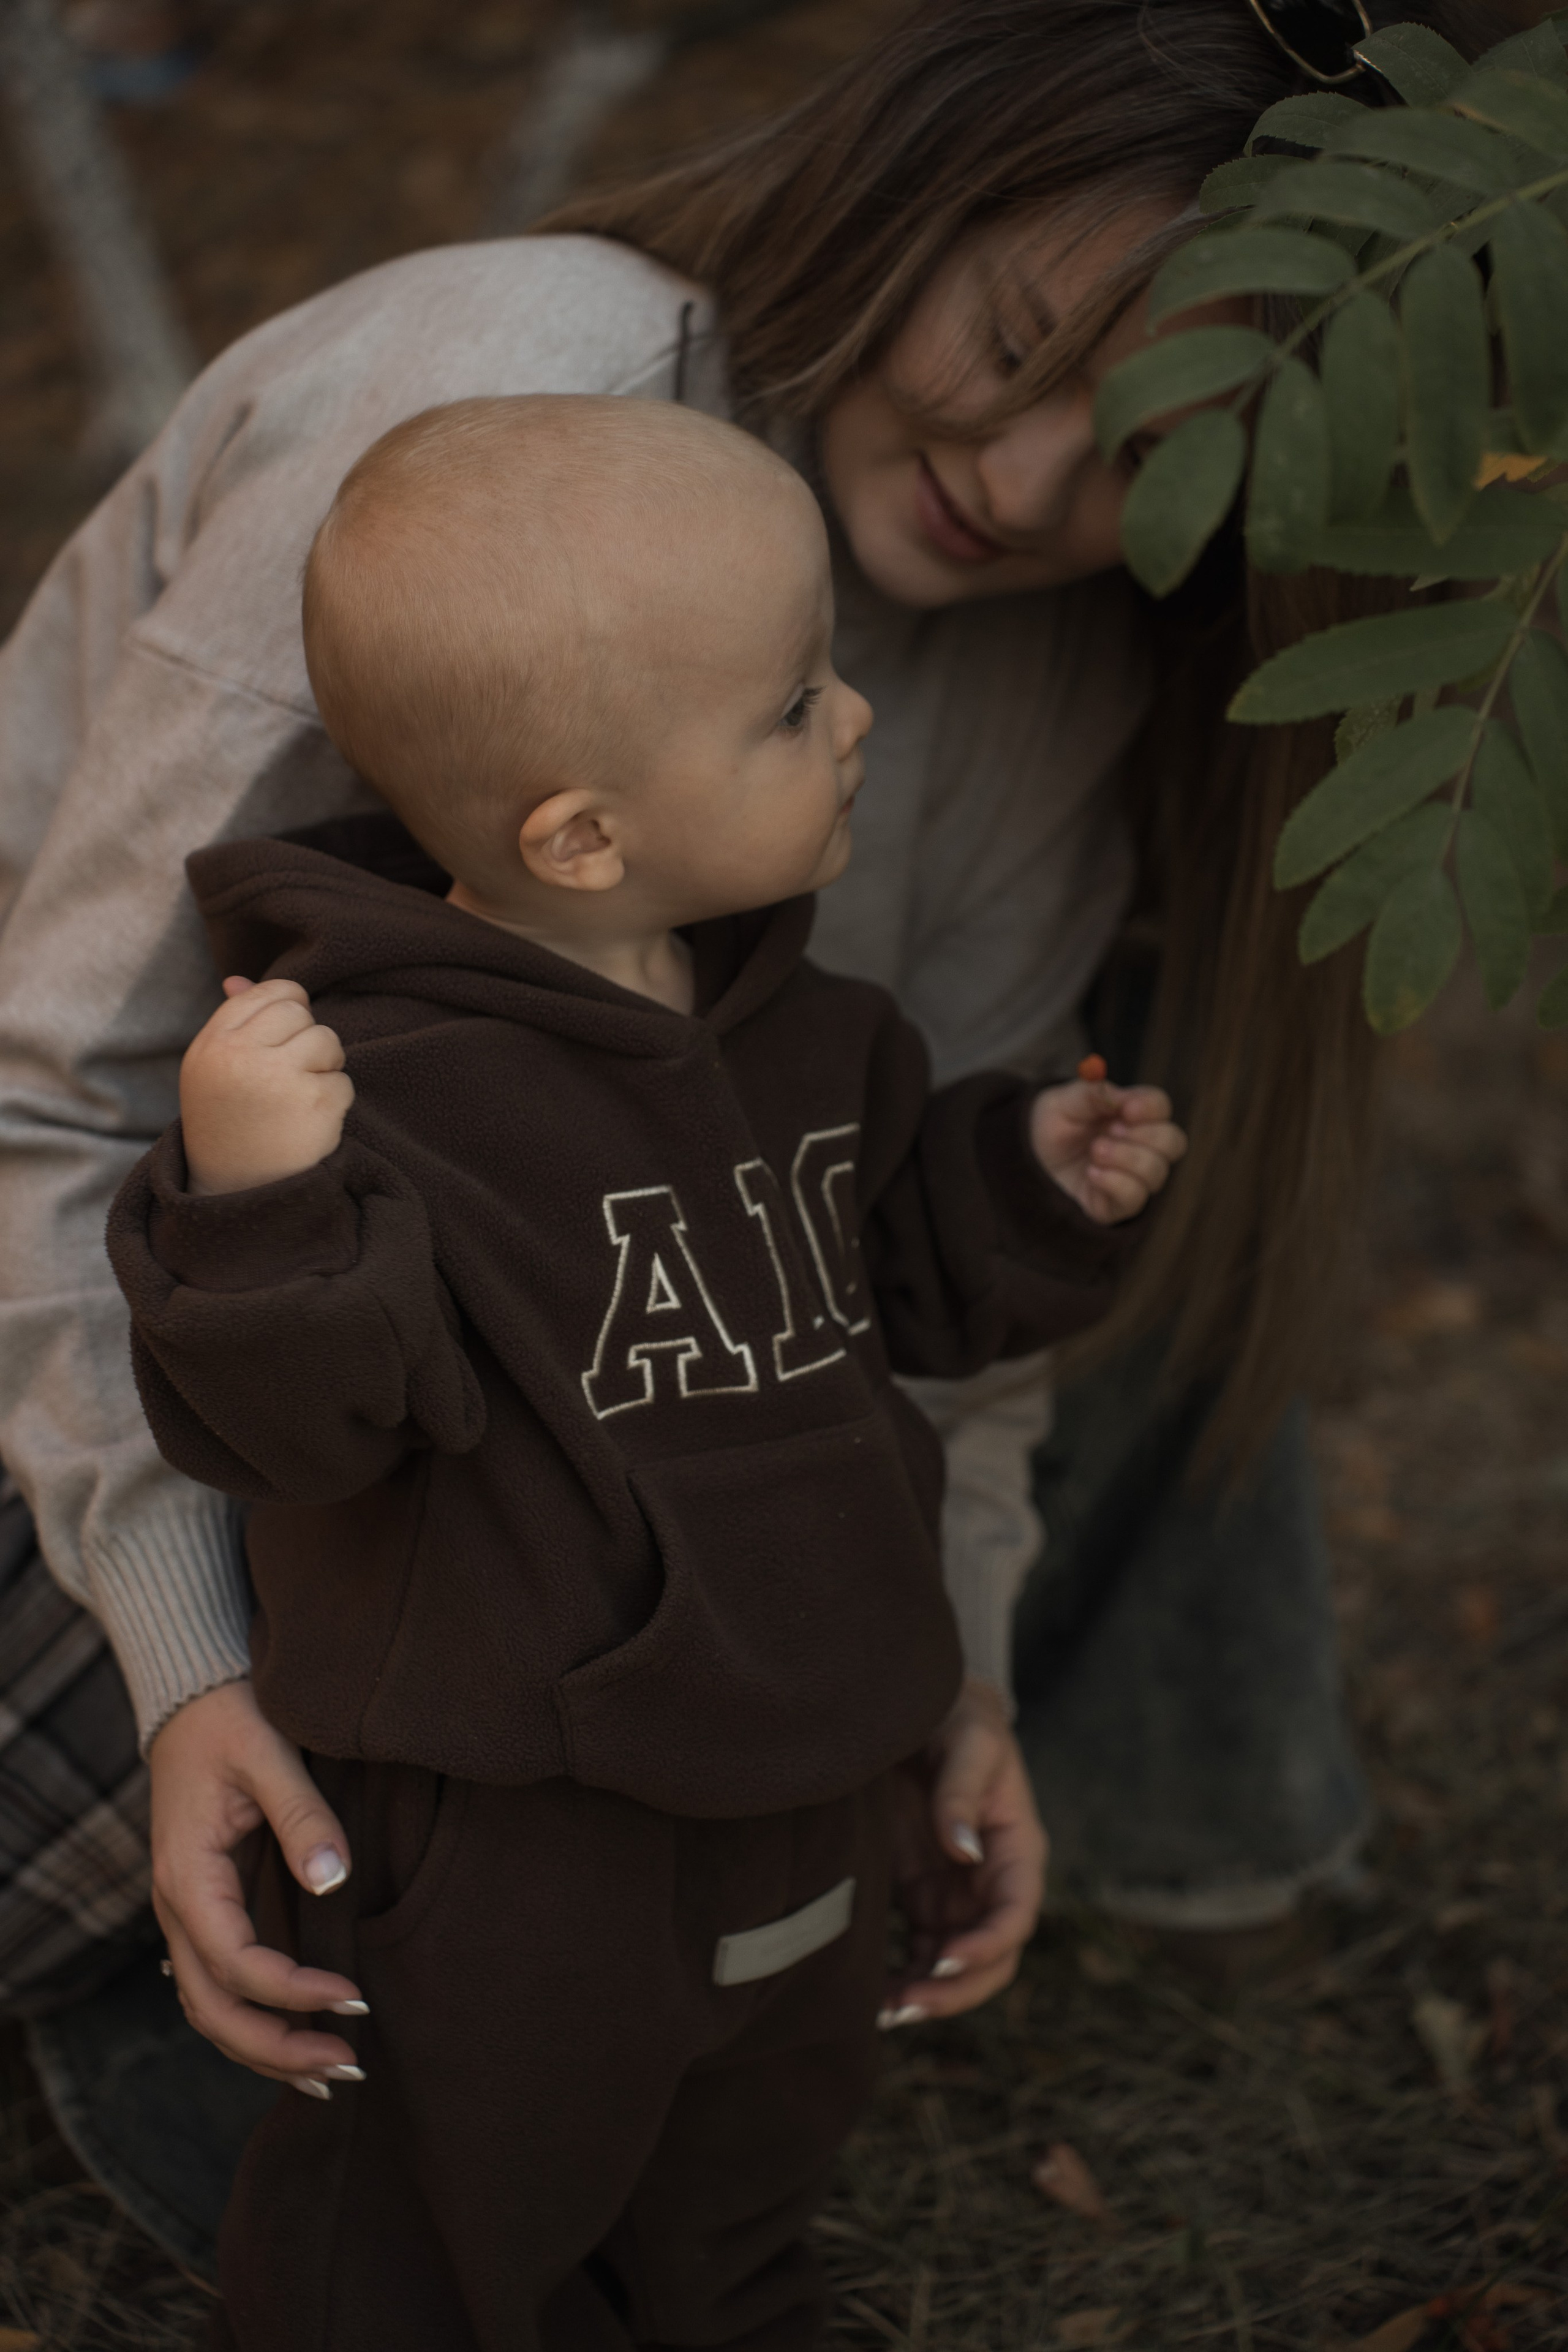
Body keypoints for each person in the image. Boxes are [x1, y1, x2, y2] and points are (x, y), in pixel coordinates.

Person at [0, 0, 1508, 2226]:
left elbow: (913, 1272)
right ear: (926, 169)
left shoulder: (1051, 683)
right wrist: (190, 1656)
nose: (1022, 484)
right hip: (128, 1347)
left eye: (1153, 446)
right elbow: (50, 1099)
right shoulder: (505, 393)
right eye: (1011, 342)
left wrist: (941, 1677)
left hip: (516, 1437)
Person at [107, 392, 1186, 2348]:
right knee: (442, 2206)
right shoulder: (381, 1091)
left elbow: (900, 1287)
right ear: (582, 833)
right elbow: (302, 1431)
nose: (856, 719)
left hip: (808, 1752)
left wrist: (1023, 1177)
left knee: (750, 2150)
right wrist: (261, 1204)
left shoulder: (807, 1021)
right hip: (524, 1818)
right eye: (795, 705)